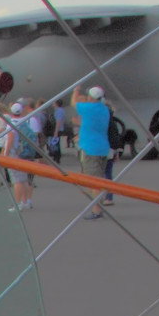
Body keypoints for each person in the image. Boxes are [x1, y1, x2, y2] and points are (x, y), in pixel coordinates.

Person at [71, 85, 110, 219]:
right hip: (103, 147)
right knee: (97, 179)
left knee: (93, 182)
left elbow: (74, 103)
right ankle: (99, 203)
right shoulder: (105, 110)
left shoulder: (88, 108)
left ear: (91, 97)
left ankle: (97, 209)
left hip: (90, 148)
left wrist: (76, 90)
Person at [3, 101, 33, 211]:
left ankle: (17, 203)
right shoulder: (25, 122)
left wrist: (5, 153)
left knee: (16, 180)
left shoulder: (12, 123)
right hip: (23, 153)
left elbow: (10, 137)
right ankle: (26, 201)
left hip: (14, 153)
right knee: (24, 179)